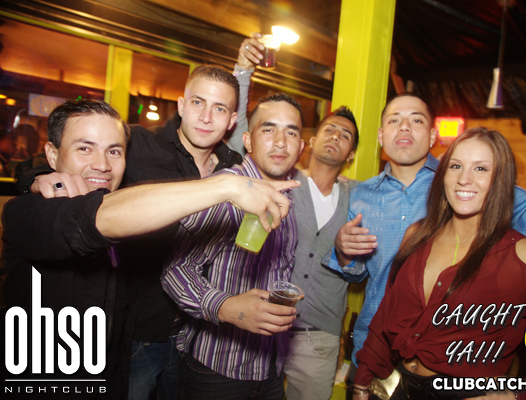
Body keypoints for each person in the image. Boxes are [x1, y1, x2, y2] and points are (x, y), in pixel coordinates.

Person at [13, 38, 264, 400]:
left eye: (219, 108)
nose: (207, 117)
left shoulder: (232, 166)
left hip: (193, 332)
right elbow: (72, 152)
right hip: (134, 334)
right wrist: (37, 178)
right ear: (181, 106)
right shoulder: (142, 144)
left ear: (232, 120)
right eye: (197, 103)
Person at [323, 93, 526, 388]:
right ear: (380, 136)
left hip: (456, 368)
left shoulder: (467, 183)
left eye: (416, 120)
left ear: (433, 136)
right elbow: (361, 274)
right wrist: (343, 252)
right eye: (394, 120)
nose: (404, 127)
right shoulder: (361, 195)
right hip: (372, 350)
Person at [160, 93, 305, 400]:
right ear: (248, 141)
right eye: (269, 129)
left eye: (291, 132)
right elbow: (175, 271)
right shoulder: (226, 188)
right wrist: (226, 307)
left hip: (270, 367)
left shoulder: (290, 196)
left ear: (301, 147)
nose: (281, 142)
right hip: (216, 369)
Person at [283, 106, 359, 400]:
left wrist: (345, 254)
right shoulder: (283, 183)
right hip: (264, 327)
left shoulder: (358, 199)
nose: (336, 136)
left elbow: (360, 271)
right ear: (312, 141)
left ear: (351, 154)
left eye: (345, 135)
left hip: (317, 336)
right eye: (329, 130)